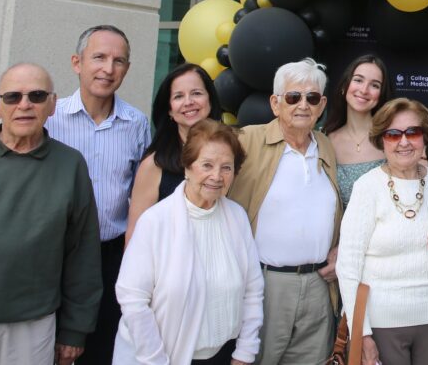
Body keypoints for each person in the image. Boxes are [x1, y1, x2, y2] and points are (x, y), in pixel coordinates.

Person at [0, 63, 102, 365]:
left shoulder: (70, 165)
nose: (24, 105)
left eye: (37, 95)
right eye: (12, 97)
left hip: (32, 327)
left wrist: (74, 329)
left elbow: (82, 252)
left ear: (52, 104)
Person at [114, 119, 263, 364]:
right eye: (207, 165)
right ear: (187, 167)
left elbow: (253, 290)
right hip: (162, 357)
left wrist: (245, 351)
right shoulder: (155, 222)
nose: (216, 176)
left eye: (226, 167)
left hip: (225, 355)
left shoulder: (237, 217)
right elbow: (133, 299)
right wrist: (155, 360)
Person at [227, 57, 342, 364]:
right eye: (293, 97)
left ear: (322, 105)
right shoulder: (247, 141)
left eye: (312, 98)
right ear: (275, 103)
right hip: (266, 285)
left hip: (319, 284)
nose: (303, 105)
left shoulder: (326, 146)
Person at [338, 98, 428, 365]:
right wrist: (362, 333)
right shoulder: (367, 187)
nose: (404, 142)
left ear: (425, 137)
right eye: (393, 134)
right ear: (381, 140)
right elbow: (348, 266)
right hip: (382, 325)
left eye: (413, 132)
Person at [52, 25, 152, 364]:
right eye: (99, 57)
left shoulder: (137, 124)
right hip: (55, 254)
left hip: (110, 257)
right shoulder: (49, 117)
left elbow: (143, 191)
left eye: (118, 61)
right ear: (77, 63)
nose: (108, 69)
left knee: (101, 349)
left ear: (127, 68)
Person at [126, 63, 222, 242]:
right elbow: (135, 236)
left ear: (210, 99)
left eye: (196, 93)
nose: (189, 102)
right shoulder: (154, 165)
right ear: (169, 109)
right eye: (179, 96)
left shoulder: (229, 156)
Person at [325, 54, 393, 207]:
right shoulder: (326, 141)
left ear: (381, 95)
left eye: (374, 85)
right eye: (358, 80)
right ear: (345, 86)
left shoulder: (393, 138)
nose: (364, 90)